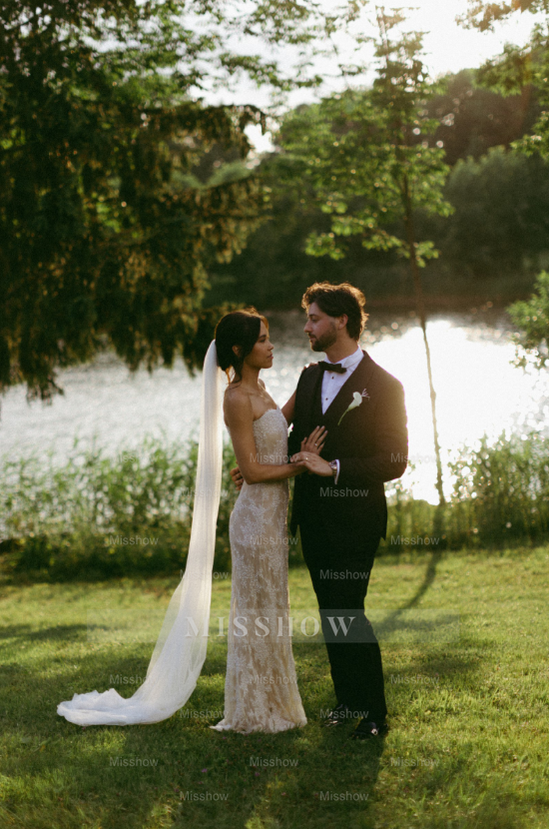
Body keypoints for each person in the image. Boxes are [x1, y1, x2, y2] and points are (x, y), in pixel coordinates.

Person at [288, 282, 408, 740]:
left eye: (314, 318)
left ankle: (375, 712)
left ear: (341, 320)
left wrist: (332, 467)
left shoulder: (385, 386)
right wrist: (260, 467)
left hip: (356, 520)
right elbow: (293, 437)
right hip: (313, 519)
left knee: (349, 610)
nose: (307, 327)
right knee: (330, 611)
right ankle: (346, 700)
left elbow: (395, 460)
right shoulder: (309, 376)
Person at [211, 309, 325, 733]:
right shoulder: (237, 397)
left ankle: (277, 702)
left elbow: (281, 422)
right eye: (262, 340)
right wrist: (304, 465)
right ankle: (252, 710)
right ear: (240, 349)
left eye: (270, 338)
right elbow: (254, 472)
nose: (271, 345)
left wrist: (311, 378)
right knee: (257, 614)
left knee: (272, 610)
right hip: (254, 521)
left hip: (273, 521)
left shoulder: (263, 389)